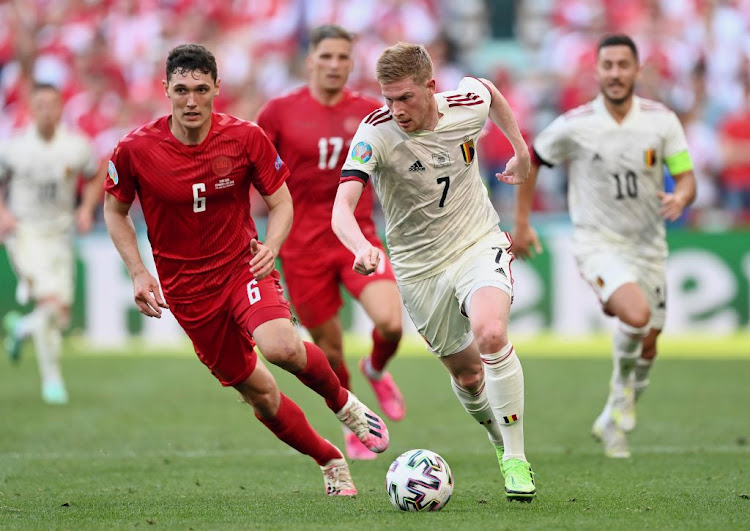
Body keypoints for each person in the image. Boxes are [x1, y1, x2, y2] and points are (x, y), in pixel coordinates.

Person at [102, 44, 389, 496]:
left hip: (242, 268)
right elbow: (114, 212)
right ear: (165, 90)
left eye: (200, 89)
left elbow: (281, 202)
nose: (191, 101)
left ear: (217, 88)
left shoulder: (245, 137)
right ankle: (329, 459)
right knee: (262, 396)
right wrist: (139, 272)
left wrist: (271, 246)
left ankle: (344, 404)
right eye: (181, 90)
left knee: (281, 348)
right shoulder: (135, 150)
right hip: (189, 294)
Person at [332, 42, 536, 502]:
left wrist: (520, 150)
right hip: (419, 268)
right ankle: (497, 437)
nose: (395, 109)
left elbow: (487, 91)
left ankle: (516, 458)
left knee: (490, 334)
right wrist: (360, 244)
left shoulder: (463, 107)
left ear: (430, 87)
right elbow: (341, 209)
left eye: (404, 97)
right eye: (387, 98)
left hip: (477, 242)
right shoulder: (375, 133)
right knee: (467, 376)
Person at [512, 34, 697, 458]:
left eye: (622, 65)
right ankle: (619, 395)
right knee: (635, 315)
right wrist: (522, 224)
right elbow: (532, 159)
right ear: (596, 71)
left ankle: (614, 416)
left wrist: (682, 196)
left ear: (637, 70)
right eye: (608, 65)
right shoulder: (576, 124)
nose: (615, 73)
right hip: (597, 242)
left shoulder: (661, 120)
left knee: (649, 343)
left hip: (649, 246)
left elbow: (685, 175)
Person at [256, 25, 405, 461]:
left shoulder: (370, 111)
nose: (335, 65)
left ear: (352, 63)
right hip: (302, 249)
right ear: (310, 61)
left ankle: (376, 367)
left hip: (356, 237)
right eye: (327, 56)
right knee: (331, 350)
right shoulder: (279, 112)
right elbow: (255, 168)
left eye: (343, 57)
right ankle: (355, 422)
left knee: (392, 322)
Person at [0, 82, 104, 405]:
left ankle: (20, 329)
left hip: (61, 234)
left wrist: (86, 208)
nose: (46, 111)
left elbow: (99, 172)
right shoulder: (14, 148)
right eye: (40, 105)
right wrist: (3, 213)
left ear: (61, 108)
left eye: (52, 104)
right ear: (31, 108)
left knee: (59, 315)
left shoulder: (75, 145)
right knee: (49, 303)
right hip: (26, 234)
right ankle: (52, 380)